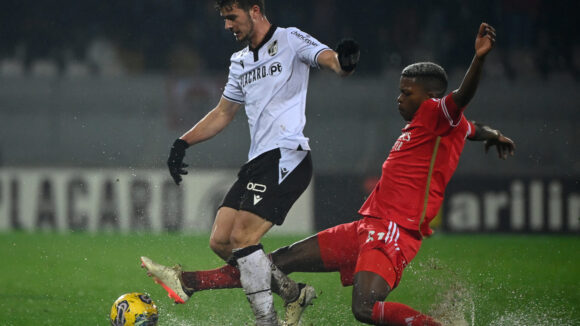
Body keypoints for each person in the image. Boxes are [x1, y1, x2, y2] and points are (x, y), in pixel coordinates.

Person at [143, 22, 516, 325]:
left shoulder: (438, 113)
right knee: (267, 262)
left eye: (406, 93)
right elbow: (469, 126)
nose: (398, 99)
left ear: (430, 96)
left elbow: (462, 99)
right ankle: (190, 282)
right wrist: (494, 134)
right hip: (365, 227)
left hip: (392, 233)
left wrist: (478, 59)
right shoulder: (435, 122)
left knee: (365, 309)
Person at [141, 1, 360, 325]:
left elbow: (330, 61)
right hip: (258, 161)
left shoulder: (290, 39)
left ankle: (265, 320)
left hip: (287, 155)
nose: (228, 25)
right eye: (225, 19)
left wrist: (345, 62)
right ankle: (291, 292)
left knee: (243, 239)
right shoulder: (240, 62)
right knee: (221, 241)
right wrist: (182, 143)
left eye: (232, 17)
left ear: (255, 10)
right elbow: (223, 113)